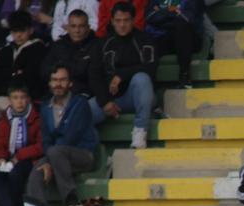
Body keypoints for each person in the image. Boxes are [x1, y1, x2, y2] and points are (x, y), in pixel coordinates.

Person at [27, 65, 98, 206]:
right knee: (37, 172)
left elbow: (70, 136)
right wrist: (48, 161)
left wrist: (49, 159)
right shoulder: (46, 107)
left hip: (82, 155)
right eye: (54, 80)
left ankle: (70, 199)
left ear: (70, 83)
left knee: (55, 152)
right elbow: (46, 139)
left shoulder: (80, 104)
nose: (58, 84)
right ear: (49, 83)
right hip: (56, 156)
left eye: (62, 80)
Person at [89, 1, 157, 149]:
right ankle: (95, 152)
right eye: (118, 21)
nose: (122, 25)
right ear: (112, 21)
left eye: (126, 20)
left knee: (142, 78)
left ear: (133, 20)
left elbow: (150, 68)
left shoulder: (144, 39)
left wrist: (121, 75)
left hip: (138, 96)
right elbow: (94, 75)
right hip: (111, 97)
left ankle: (140, 132)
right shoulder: (103, 43)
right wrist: (105, 101)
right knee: (82, 114)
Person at [0, 83, 42, 206]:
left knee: (15, 175)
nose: (20, 102)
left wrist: (19, 156)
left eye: (23, 98)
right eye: (16, 98)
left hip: (28, 160)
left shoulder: (37, 119)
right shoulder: (5, 120)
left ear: (29, 100)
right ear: (9, 100)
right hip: (8, 159)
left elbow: (40, 146)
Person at [0, 11, 48, 105]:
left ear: (30, 30)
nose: (18, 35)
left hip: (28, 99)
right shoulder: (6, 51)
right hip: (5, 96)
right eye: (15, 31)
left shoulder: (38, 49)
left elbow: (31, 79)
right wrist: (14, 72)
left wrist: (7, 75)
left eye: (22, 31)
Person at [42, 9, 99, 102]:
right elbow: (44, 71)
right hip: (57, 94)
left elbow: (91, 77)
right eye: (73, 26)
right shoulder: (58, 45)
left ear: (88, 27)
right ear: (67, 27)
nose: (77, 30)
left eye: (81, 26)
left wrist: (62, 67)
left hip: (85, 96)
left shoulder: (97, 45)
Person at [144, 0, 201, 88]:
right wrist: (172, 12)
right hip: (165, 36)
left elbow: (189, 18)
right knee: (148, 40)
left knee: (182, 26)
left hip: (188, 38)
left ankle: (185, 76)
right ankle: (148, 82)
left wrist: (161, 12)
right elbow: (149, 17)